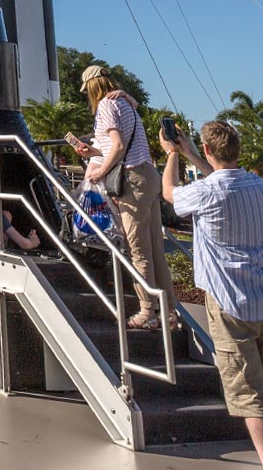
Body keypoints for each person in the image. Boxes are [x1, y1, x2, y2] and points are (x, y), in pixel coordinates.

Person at [160, 119, 263, 470]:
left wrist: (173, 154)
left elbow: (170, 193)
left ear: (208, 150)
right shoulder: (258, 186)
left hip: (229, 304)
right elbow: (221, 176)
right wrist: (193, 153)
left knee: (250, 397)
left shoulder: (206, 193)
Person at [75, 64, 174, 331]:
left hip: (133, 180)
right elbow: (113, 146)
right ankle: (169, 312)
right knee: (154, 248)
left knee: (138, 249)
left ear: (92, 87)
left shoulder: (106, 107)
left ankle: (147, 311)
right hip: (148, 175)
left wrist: (100, 172)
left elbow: (118, 147)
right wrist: (93, 152)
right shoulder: (125, 103)